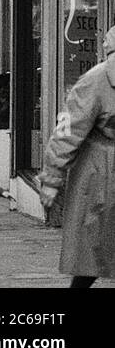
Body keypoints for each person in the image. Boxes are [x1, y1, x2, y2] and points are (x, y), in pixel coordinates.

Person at [40, 24, 115, 288]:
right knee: (91, 250)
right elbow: (67, 132)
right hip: (100, 175)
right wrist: (51, 179)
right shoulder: (96, 80)